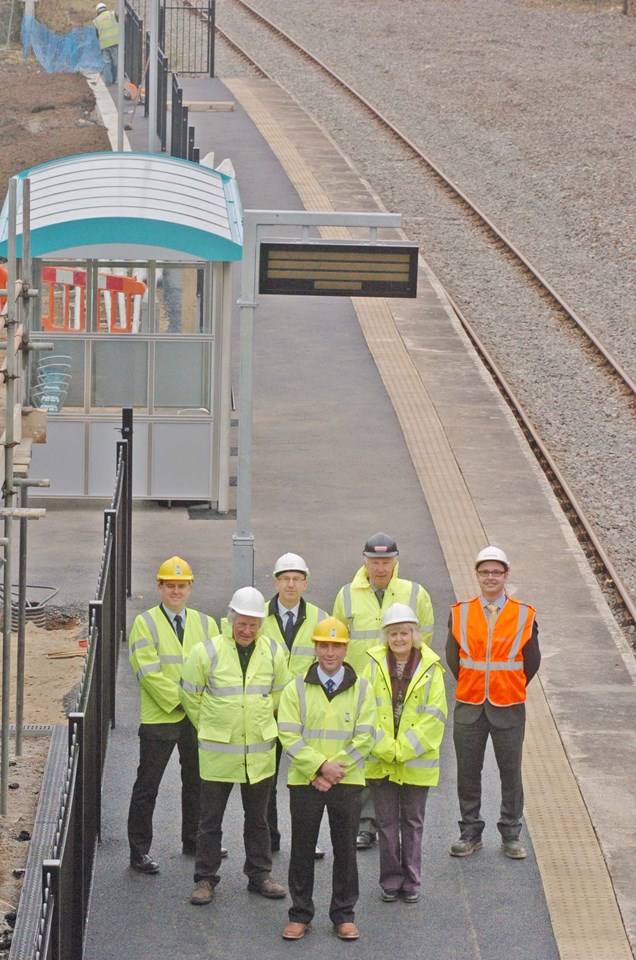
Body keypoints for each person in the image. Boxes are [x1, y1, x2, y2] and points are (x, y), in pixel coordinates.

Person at [180, 587, 290, 905]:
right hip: (218, 751)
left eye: (253, 624)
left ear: (261, 624)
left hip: (257, 749)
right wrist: (211, 724)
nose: (246, 630)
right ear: (230, 619)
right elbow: (190, 693)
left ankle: (259, 875)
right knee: (210, 819)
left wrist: (259, 720)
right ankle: (205, 879)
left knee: (258, 818)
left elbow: (280, 692)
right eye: (241, 623)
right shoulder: (208, 651)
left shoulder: (272, 652)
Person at [277, 617, 377, 941]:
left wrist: (332, 773)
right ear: (315, 648)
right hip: (307, 780)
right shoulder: (296, 687)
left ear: (346, 649)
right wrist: (320, 767)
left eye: (336, 646)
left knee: (345, 849)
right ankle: (300, 914)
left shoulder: (363, 688)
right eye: (324, 645)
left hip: (345, 781)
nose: (330, 652)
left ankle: (344, 915)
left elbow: (366, 736)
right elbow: (288, 734)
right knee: (302, 848)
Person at [333, 532, 434, 849]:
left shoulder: (415, 594)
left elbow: (424, 638)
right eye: (375, 562)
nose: (380, 568)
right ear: (364, 562)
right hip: (360, 689)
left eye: (386, 562)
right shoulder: (347, 595)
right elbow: (337, 641)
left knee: (397, 751)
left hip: (402, 689)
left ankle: (389, 821)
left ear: (395, 562)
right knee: (364, 756)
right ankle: (365, 823)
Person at [446, 546, 541, 860]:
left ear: (506, 575)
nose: (490, 577)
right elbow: (453, 658)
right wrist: (476, 682)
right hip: (469, 705)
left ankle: (511, 833)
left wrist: (508, 683)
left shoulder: (525, 615)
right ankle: (470, 832)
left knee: (510, 773)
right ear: (477, 575)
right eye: (485, 572)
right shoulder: (459, 612)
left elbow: (531, 661)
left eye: (496, 572)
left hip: (508, 705)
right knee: (468, 772)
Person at [127, 556, 218, 874]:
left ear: (190, 587)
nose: (175, 591)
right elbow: (147, 671)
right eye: (170, 586)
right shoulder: (145, 622)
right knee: (148, 785)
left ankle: (193, 840)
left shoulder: (207, 623)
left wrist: (195, 704)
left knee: (197, 781)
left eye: (181, 586)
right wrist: (184, 701)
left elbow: (214, 668)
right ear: (159, 587)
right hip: (160, 717)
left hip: (195, 717)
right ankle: (139, 851)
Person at [364, 604, 447, 903]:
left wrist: (403, 749)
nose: (399, 638)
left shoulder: (431, 668)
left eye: (405, 633)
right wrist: (387, 748)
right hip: (382, 758)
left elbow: (435, 717)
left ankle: (411, 881)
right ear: (386, 636)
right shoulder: (372, 664)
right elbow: (364, 711)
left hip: (415, 761)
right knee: (385, 824)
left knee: (412, 823)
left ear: (415, 635)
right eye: (393, 633)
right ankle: (390, 880)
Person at [262, 552, 327, 857]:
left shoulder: (321, 618)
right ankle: (269, 837)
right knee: (266, 779)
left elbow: (329, 663)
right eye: (285, 579)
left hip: (306, 713)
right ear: (276, 582)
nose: (290, 585)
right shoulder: (259, 616)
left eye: (296, 579)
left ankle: (307, 839)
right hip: (269, 710)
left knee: (306, 778)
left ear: (305, 583)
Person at [93, 2, 118, 86]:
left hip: (104, 44)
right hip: (115, 42)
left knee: (107, 63)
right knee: (116, 62)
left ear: (97, 11)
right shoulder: (112, 14)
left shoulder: (96, 20)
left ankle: (108, 81)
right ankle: (115, 79)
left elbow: (97, 35)